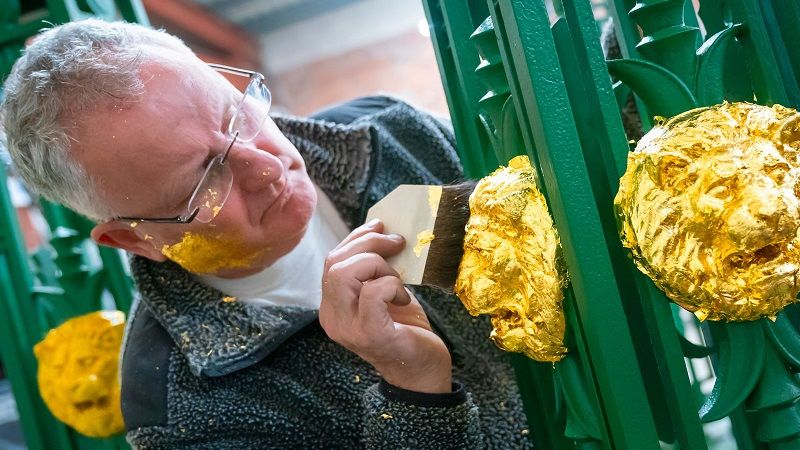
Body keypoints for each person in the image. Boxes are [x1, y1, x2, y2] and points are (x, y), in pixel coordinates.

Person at [1, 19, 530, 449]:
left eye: (237, 115)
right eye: (206, 177)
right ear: (136, 239)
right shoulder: (183, 408)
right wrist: (413, 391)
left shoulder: (389, 132)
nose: (267, 167)